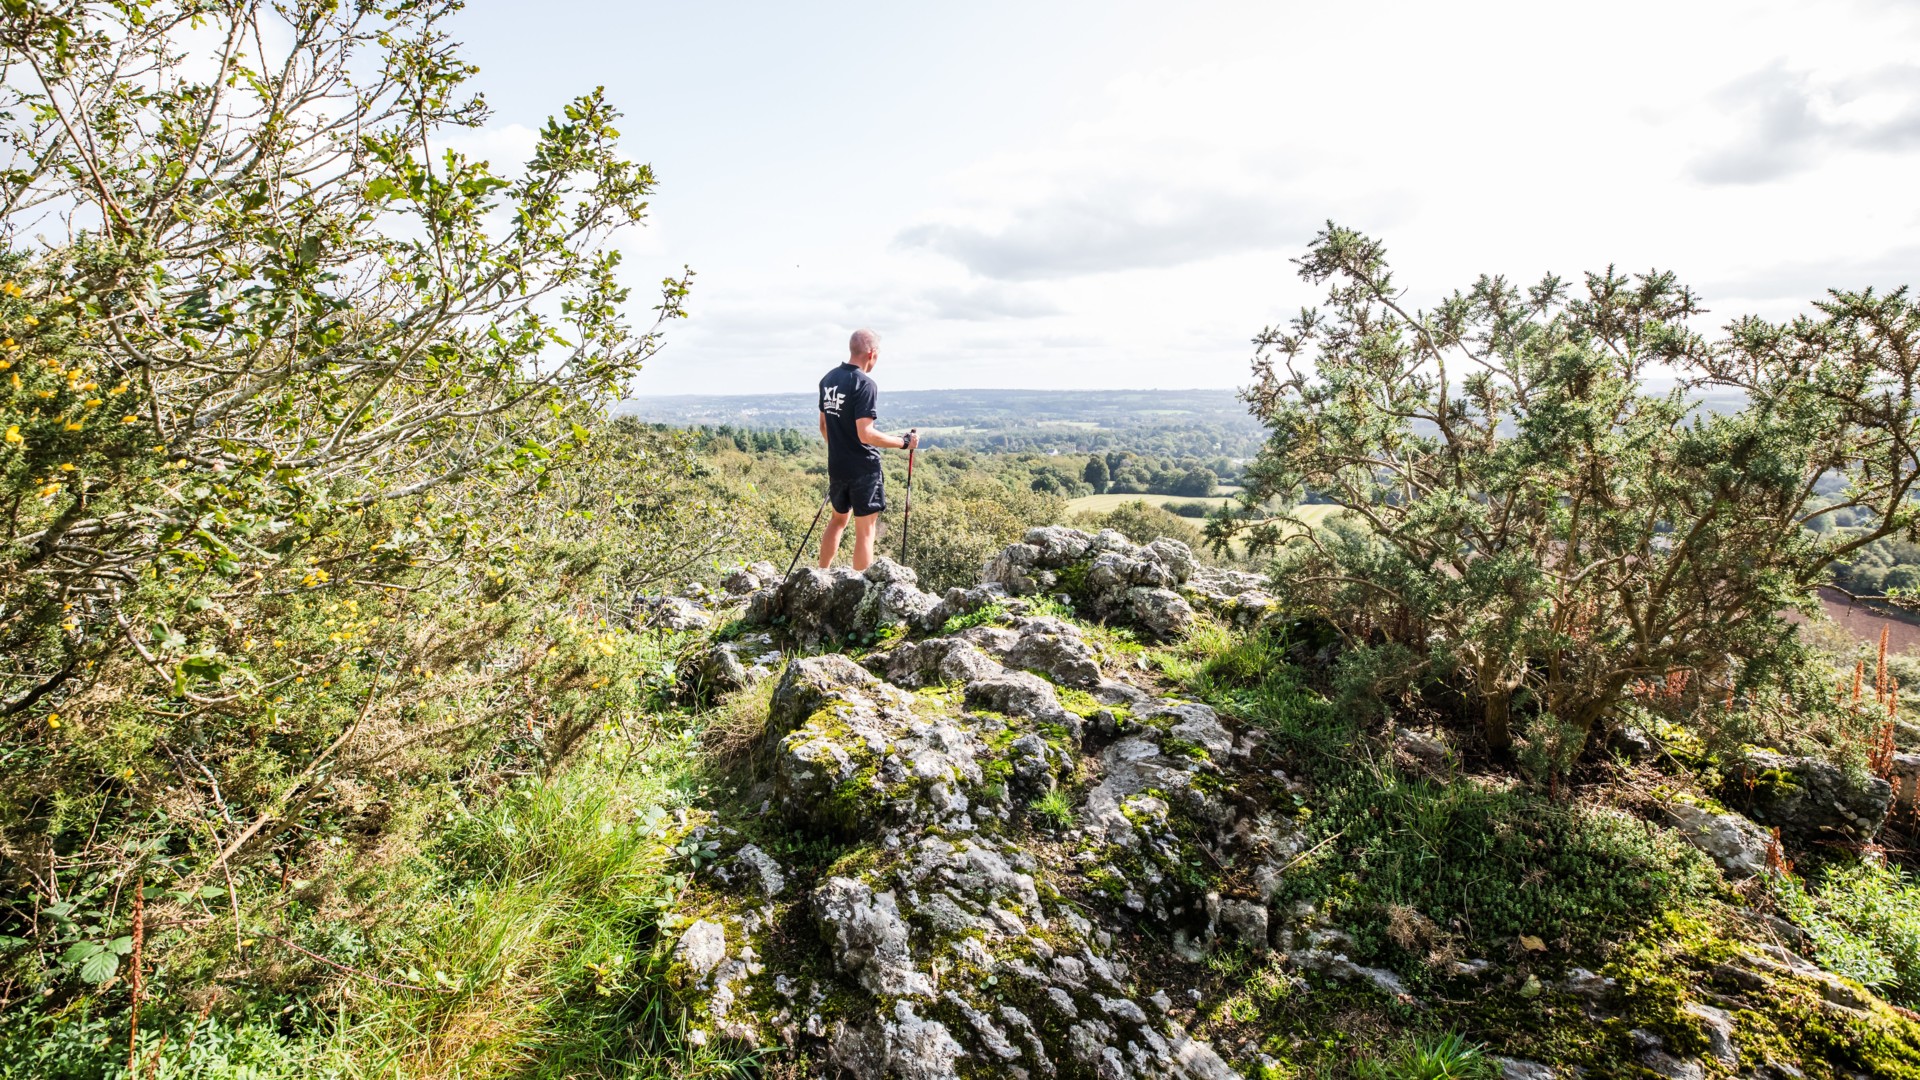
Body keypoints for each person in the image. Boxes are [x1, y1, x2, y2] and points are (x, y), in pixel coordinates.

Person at [817, 328, 918, 571]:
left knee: (838, 520)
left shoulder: (828, 379)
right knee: (866, 529)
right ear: (871, 353)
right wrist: (904, 442)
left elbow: (823, 426)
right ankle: (861, 585)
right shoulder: (865, 383)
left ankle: (821, 574)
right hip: (863, 467)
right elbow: (866, 433)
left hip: (837, 464)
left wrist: (841, 448)